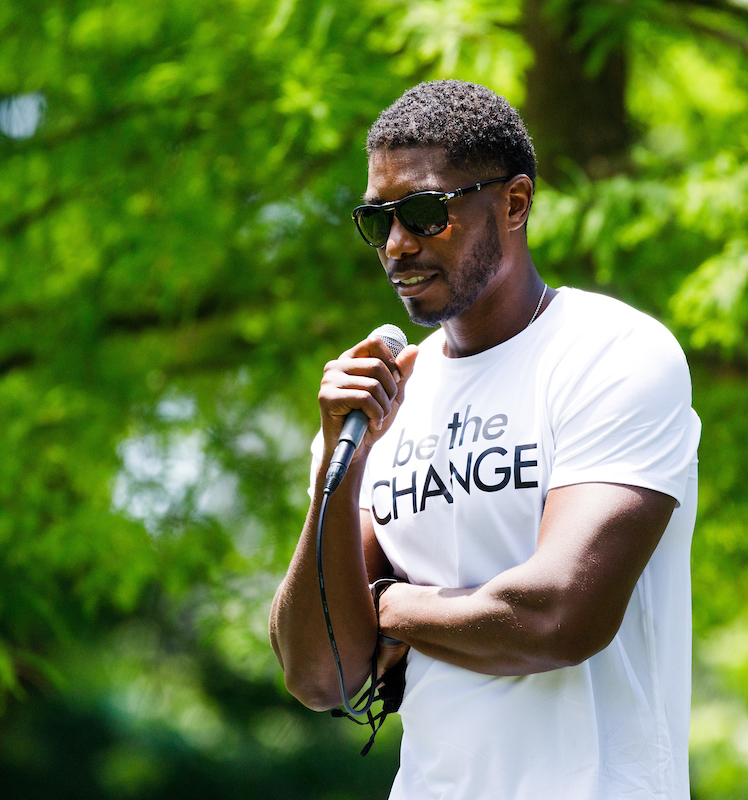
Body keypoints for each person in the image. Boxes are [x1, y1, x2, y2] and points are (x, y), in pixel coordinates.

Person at [269, 80, 701, 799]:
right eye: (378, 221)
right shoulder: (383, 405)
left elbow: (558, 616)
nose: (398, 245)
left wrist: (387, 607)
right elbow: (321, 675)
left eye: (425, 213)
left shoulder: (613, 354)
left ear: (514, 202)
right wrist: (335, 475)